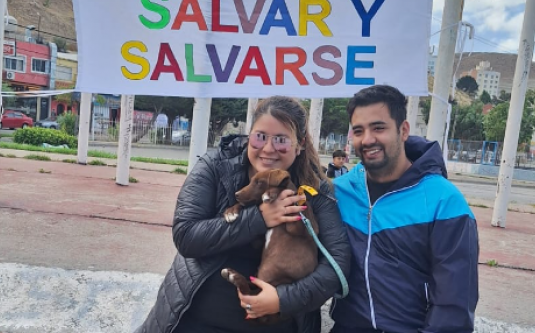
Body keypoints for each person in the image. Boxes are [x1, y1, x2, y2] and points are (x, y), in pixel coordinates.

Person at [139, 96, 351, 333]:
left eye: (281, 140)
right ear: (249, 135)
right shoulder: (216, 166)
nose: (268, 149)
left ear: (300, 143)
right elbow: (186, 236)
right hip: (195, 319)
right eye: (260, 136)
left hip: (277, 323)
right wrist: (259, 218)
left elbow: (337, 263)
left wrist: (283, 299)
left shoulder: (314, 187)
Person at [330, 85, 479, 333]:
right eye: (358, 130)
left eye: (379, 128)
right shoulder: (339, 192)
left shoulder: (444, 201)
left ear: (403, 130)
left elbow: (454, 306)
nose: (367, 139)